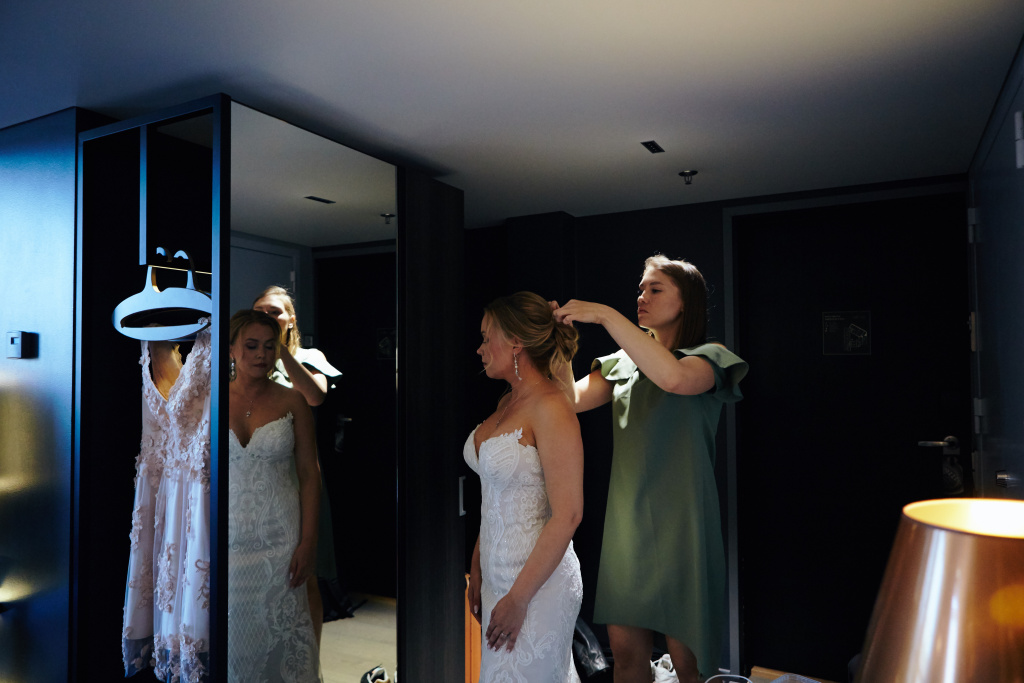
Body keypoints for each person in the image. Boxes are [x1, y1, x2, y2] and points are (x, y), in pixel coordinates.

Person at [552, 255, 748, 683]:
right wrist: (561, 347)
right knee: (625, 660)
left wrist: (605, 315)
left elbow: (672, 378)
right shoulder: (622, 362)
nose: (642, 296)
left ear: (686, 301)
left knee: (690, 666)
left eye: (655, 289)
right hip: (629, 527)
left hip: (685, 528)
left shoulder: (710, 358)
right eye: (641, 289)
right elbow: (569, 401)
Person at [465, 291, 585, 682]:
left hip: (537, 586)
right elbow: (496, 497)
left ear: (516, 342)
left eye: (487, 338)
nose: (480, 349)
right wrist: (477, 565)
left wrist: (518, 598)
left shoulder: (552, 406)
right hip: (496, 576)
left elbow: (568, 514)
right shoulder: (507, 403)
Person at [227, 309, 322, 682]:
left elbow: (309, 475)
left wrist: (308, 542)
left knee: (281, 641)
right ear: (231, 348)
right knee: (231, 639)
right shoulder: (210, 399)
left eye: (270, 347)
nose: (261, 355)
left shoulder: (293, 401)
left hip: (281, 538)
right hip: (227, 539)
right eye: (251, 346)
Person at [253, 285, 343, 645]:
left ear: (290, 320)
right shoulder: (245, 358)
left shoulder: (309, 356)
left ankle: (308, 657)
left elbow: (315, 396)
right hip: (257, 475)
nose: (266, 316)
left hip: (298, 476)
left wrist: (282, 353)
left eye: (274, 311)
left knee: (305, 576)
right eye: (259, 311)